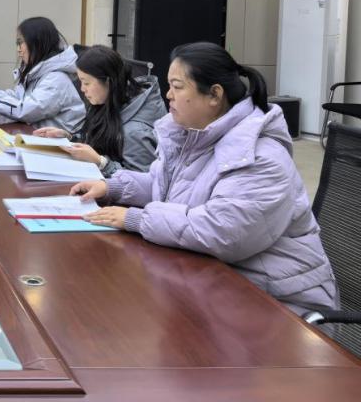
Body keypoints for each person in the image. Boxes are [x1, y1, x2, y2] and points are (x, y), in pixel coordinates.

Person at [71, 42, 338, 315]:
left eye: (177, 87)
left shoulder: (261, 157)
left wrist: (137, 219)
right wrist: (112, 187)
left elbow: (222, 231)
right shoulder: (193, 135)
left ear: (214, 95)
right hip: (218, 282)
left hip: (281, 303)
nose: (168, 95)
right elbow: (162, 185)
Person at [34, 44, 165, 175]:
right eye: (81, 82)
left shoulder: (135, 131)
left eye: (86, 83)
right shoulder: (112, 100)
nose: (82, 89)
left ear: (108, 81)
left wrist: (101, 162)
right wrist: (69, 138)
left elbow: (143, 181)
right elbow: (100, 140)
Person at [0, 16, 84, 132]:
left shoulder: (56, 79)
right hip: (38, 137)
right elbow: (17, 98)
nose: (18, 49)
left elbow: (25, 110)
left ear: (37, 43)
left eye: (20, 43)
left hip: (60, 142)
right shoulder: (39, 73)